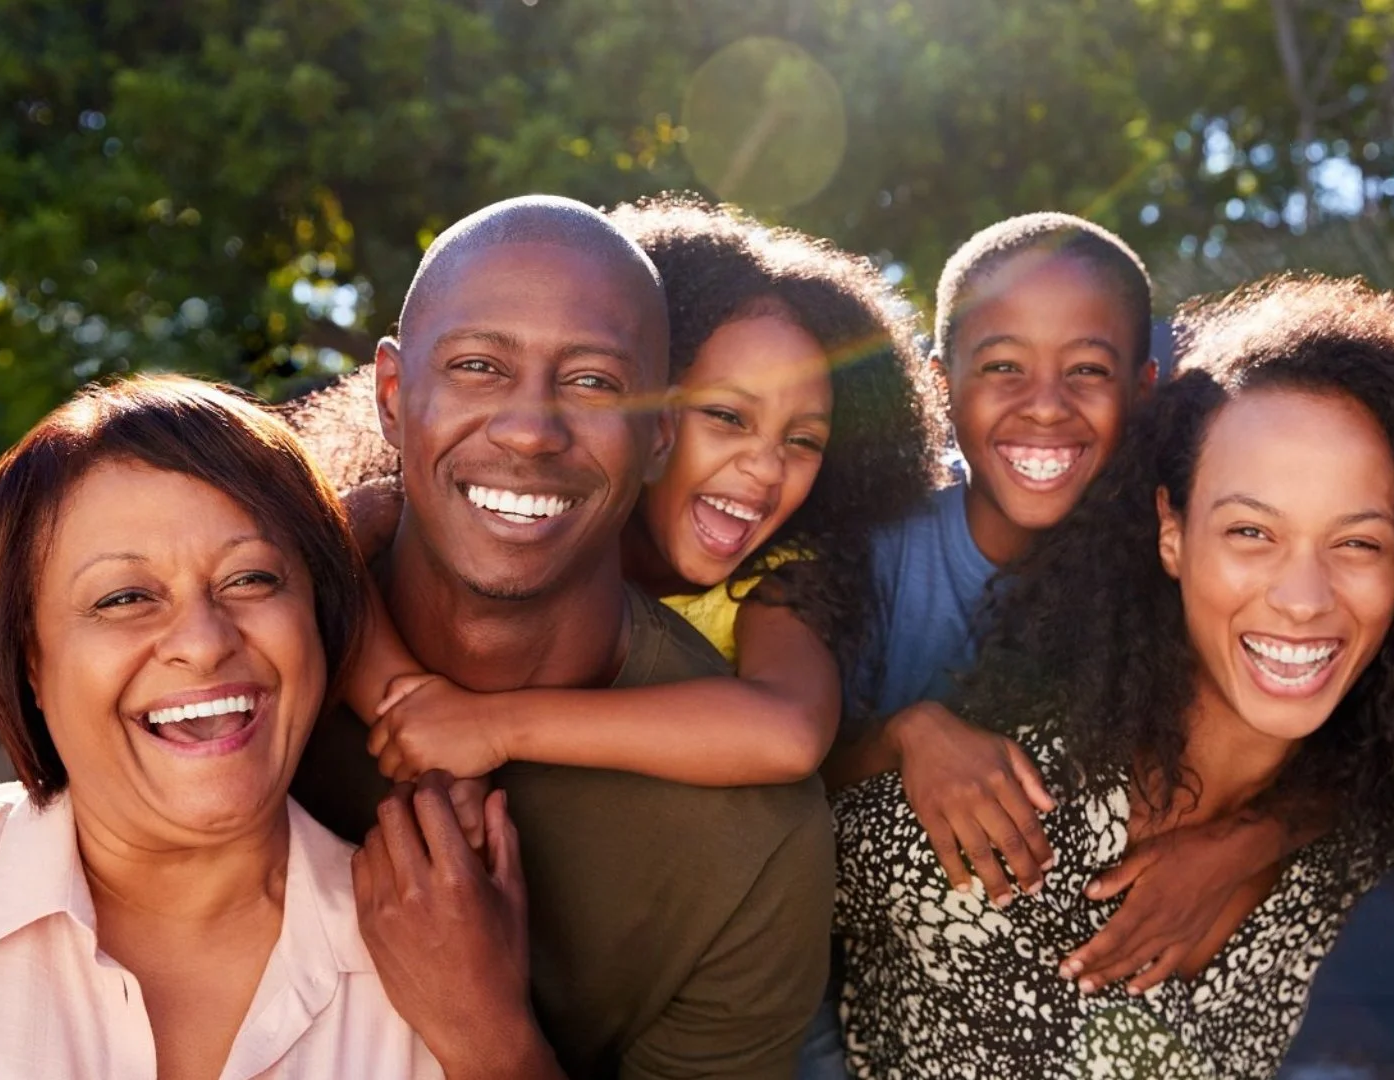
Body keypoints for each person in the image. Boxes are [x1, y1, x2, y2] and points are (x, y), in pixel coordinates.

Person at [833, 277, 1394, 1078]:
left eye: (1357, 543)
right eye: (1251, 531)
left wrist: (1255, 836)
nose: (1302, 599)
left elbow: (1372, 783)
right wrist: (899, 738)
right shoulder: (997, 811)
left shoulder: (1366, 810)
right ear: (1172, 535)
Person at [288, 195, 835, 1079]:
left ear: (657, 434)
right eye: (477, 366)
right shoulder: (248, 667)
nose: (532, 429)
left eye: (593, 381)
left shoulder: (756, 846)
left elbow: (791, 729)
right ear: (393, 397)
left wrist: (489, 1035)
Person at [291, 194, 941, 790]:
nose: (766, 468)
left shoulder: (773, 586)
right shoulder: (469, 505)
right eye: (726, 417)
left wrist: (492, 725)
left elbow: (787, 732)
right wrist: (405, 705)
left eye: (803, 441)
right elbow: (326, 562)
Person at [0, 376, 483, 1077]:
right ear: (30, 660)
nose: (205, 641)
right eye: (125, 598)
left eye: (250, 580)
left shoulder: (447, 969)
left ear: (321, 618)